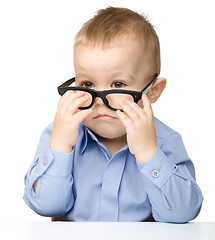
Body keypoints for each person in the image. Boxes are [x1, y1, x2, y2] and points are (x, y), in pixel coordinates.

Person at [23, 7, 203, 222]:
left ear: (153, 91)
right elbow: (46, 206)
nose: (99, 100)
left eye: (118, 84)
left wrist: (148, 152)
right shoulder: (60, 134)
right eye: (87, 84)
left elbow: (183, 212)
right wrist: (60, 146)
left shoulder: (165, 141)